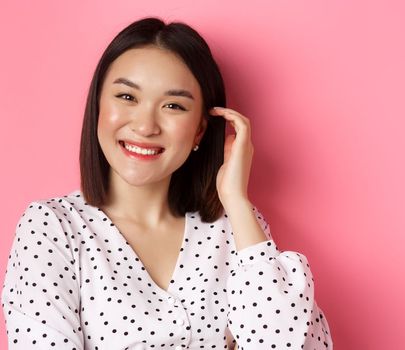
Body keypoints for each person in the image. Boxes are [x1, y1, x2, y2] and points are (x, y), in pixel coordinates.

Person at [1, 17, 333, 349]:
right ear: (98, 106)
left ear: (199, 130)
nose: (146, 126)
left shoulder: (238, 229)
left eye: (173, 106)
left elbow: (292, 343)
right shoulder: (52, 227)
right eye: (127, 97)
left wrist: (235, 199)